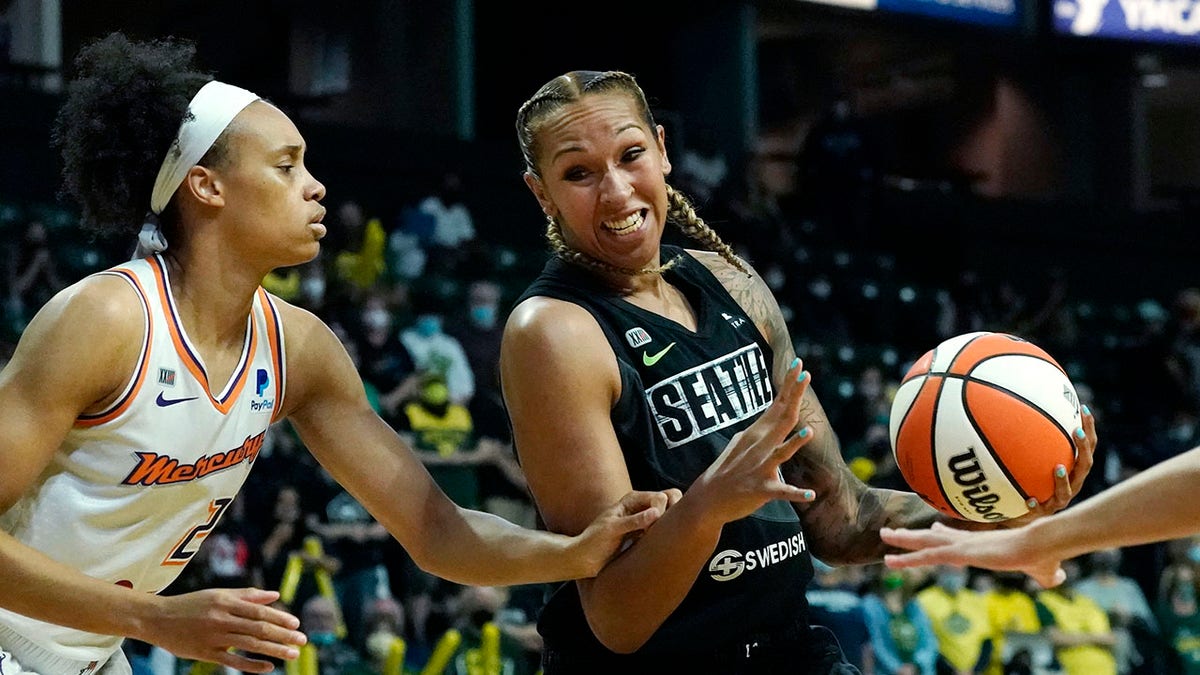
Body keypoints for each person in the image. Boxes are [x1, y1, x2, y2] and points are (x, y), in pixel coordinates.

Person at [0, 34, 676, 675]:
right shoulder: (109, 319)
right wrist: (152, 617)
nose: (316, 186)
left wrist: (569, 554)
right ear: (207, 186)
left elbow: (435, 529)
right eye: (286, 166)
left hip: (93, 652)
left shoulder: (299, 349)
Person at [499, 69, 1096, 674]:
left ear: (662, 148)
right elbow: (617, 621)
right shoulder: (553, 333)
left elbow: (842, 520)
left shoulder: (732, 283)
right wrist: (706, 506)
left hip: (788, 649)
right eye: (578, 172)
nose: (616, 190)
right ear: (541, 192)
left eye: (631, 155)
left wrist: (996, 515)